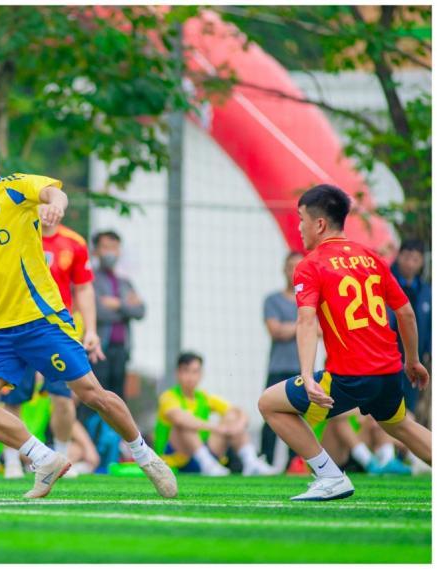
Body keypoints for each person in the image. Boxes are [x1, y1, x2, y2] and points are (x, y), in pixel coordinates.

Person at [0, 119, 176, 499]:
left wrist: (55, 206)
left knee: (92, 394)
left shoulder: (15, 188)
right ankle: (44, 459)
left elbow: (54, 193)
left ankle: (146, 456)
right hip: (1, 330)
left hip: (41, 321)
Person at [258, 184, 431, 501]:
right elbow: (405, 312)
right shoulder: (372, 258)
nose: (299, 227)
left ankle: (329, 475)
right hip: (389, 371)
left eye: (301, 219)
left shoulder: (311, 265)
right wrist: (412, 361)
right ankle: (329, 472)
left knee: (269, 403)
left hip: (352, 375)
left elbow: (306, 321)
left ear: (319, 224)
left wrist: (308, 375)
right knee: (400, 427)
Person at [0, 221, 105, 479]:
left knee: (63, 397)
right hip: (20, 325)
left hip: (56, 331)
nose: (47, 210)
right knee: (13, 396)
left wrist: (90, 329)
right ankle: (11, 461)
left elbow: (83, 287)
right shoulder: (16, 235)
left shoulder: (74, 243)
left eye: (52, 203)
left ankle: (62, 457)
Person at [155, 352, 274, 476]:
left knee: (232, 417)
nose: (190, 376)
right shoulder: (168, 396)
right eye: (186, 371)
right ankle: (207, 464)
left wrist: (238, 425)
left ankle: (251, 462)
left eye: (195, 371)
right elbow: (179, 418)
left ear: (201, 374)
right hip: (176, 460)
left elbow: (238, 411)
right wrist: (217, 427)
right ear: (178, 373)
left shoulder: (204, 397)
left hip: (207, 455)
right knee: (184, 425)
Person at [259, 251, 303, 467]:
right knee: (270, 414)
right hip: (278, 367)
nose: (294, 271)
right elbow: (275, 330)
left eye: (298, 266)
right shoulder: (272, 300)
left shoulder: (310, 300)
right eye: (290, 266)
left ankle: (294, 464)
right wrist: (304, 325)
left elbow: (321, 331)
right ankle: (265, 461)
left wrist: (291, 327)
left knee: (299, 418)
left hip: (302, 369)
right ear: (283, 269)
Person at [91, 230, 145, 400]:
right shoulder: (90, 279)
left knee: (117, 398)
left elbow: (141, 311)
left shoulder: (125, 282)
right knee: (96, 397)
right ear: (96, 251)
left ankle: (112, 428)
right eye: (105, 247)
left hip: (122, 349)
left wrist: (117, 304)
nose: (110, 252)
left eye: (114, 247)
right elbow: (98, 312)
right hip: (98, 349)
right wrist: (127, 307)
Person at [388, 239, 431, 421]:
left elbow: (429, 326)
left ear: (421, 261)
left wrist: (428, 352)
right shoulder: (386, 282)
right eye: (406, 257)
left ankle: (400, 450)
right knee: (389, 408)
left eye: (415, 259)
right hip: (389, 357)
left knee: (408, 407)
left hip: (414, 360)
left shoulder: (425, 291)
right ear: (398, 256)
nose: (410, 263)